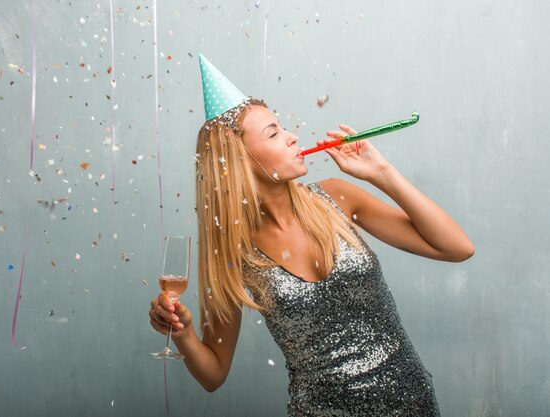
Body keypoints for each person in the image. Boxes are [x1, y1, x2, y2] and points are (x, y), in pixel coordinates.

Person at [149, 55, 474, 416]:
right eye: (274, 133)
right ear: (239, 160)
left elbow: (458, 248)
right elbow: (213, 375)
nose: (292, 137)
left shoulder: (336, 196)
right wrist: (183, 333)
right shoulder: (234, 256)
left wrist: (381, 173)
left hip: (413, 405)